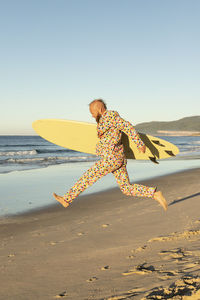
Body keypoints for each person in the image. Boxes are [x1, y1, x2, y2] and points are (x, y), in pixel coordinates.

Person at [53, 99, 168, 211]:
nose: (92, 116)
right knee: (126, 188)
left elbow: (127, 126)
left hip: (111, 158)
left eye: (92, 112)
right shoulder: (105, 120)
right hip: (118, 158)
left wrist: (139, 143)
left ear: (100, 109)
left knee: (89, 176)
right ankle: (154, 194)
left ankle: (67, 199)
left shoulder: (110, 117)